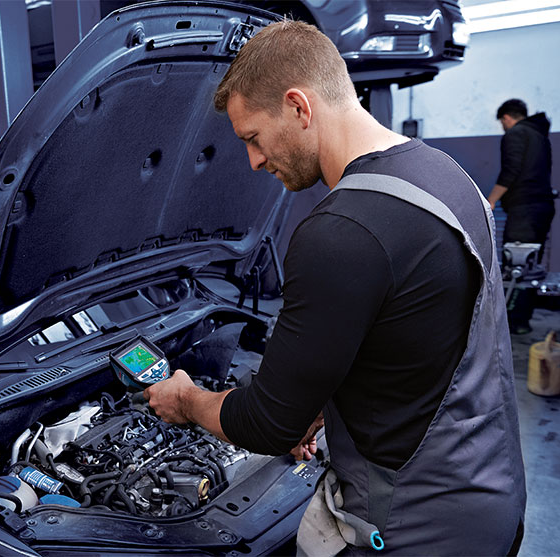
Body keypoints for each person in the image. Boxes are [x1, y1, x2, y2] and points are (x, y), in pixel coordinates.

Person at [144, 20, 526, 556]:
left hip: (411, 531)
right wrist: (325, 401)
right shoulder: (448, 177)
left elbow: (267, 425)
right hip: (492, 497)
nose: (253, 161)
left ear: (299, 107)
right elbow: (424, 338)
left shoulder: (341, 231)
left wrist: (186, 400)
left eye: (252, 138)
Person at [490, 98, 555, 334]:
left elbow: (511, 170)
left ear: (507, 117)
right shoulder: (539, 135)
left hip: (524, 210)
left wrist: (491, 199)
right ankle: (520, 321)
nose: (503, 127)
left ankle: (511, 323)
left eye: (502, 123)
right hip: (541, 207)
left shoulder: (515, 134)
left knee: (516, 267)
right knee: (528, 266)